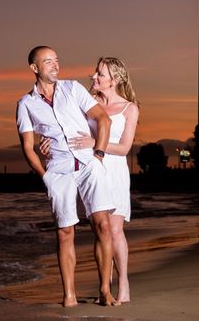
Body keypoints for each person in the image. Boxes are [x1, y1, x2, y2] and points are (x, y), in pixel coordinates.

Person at [16, 46, 119, 307]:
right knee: (64, 232)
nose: (55, 65)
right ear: (34, 68)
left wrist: (98, 155)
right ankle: (69, 296)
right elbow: (28, 147)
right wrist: (45, 177)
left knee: (103, 225)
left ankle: (105, 290)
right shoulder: (25, 104)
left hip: (88, 164)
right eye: (48, 61)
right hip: (58, 171)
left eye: (57, 60)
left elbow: (102, 119)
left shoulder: (73, 88)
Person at [42, 57, 139, 302]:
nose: (93, 77)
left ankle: (123, 284)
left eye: (100, 74)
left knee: (115, 229)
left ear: (114, 80)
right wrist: (46, 141)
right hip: (88, 169)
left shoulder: (130, 108)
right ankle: (104, 287)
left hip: (114, 169)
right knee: (99, 229)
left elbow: (126, 148)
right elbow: (64, 126)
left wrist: (96, 144)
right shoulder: (87, 102)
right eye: (95, 72)